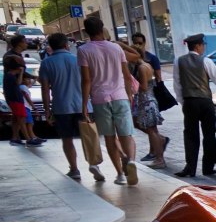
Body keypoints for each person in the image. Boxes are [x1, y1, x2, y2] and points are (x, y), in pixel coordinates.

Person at [78, 17, 137, 185]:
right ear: (102, 28)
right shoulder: (116, 48)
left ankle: (120, 174)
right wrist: (129, 93)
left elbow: (86, 80)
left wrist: (84, 104)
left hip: (99, 99)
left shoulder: (84, 50)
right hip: (120, 96)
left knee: (110, 138)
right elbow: (126, 75)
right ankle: (131, 160)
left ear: (86, 31)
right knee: (126, 133)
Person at [40, 32, 103, 180]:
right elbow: (89, 81)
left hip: (61, 107)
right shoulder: (78, 60)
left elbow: (44, 88)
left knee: (66, 139)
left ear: (51, 46)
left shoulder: (47, 63)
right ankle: (94, 164)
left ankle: (74, 169)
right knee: (88, 136)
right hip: (83, 105)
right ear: (66, 45)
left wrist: (47, 109)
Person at [171, 32, 216, 178]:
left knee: (191, 135)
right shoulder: (206, 61)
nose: (204, 47)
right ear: (198, 46)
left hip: (189, 102)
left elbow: (177, 84)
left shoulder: (178, 61)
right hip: (205, 102)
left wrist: (183, 102)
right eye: (203, 45)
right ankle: (208, 168)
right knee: (209, 135)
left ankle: (190, 168)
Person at [121, 41, 167, 169]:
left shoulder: (141, 68)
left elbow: (144, 86)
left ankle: (159, 158)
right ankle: (159, 153)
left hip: (146, 100)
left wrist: (132, 82)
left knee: (152, 131)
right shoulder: (147, 65)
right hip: (149, 100)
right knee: (153, 131)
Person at [4, 53, 43, 147]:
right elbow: (17, 83)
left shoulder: (10, 75)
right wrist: (21, 73)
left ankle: (24, 138)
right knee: (21, 119)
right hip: (15, 100)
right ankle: (28, 138)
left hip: (16, 100)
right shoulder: (10, 76)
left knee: (21, 119)